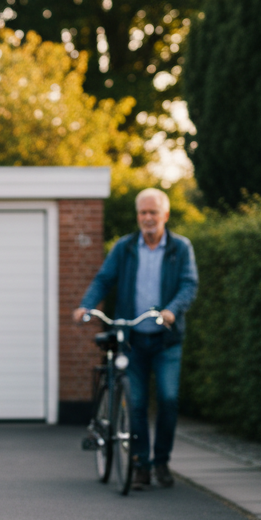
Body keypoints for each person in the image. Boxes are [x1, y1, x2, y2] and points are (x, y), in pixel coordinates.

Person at [75, 188, 198, 490]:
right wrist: (87, 305)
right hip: (132, 339)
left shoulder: (180, 248)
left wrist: (171, 310)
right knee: (138, 402)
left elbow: (188, 284)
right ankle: (141, 465)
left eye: (153, 212)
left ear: (165, 215)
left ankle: (161, 462)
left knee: (168, 400)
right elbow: (104, 278)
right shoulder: (125, 247)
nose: (147, 218)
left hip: (166, 339)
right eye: (142, 212)